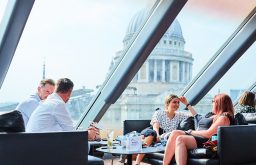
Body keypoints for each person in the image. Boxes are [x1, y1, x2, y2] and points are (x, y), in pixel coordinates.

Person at [163, 93, 234, 165]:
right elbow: (196, 116)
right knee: (175, 133)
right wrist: (187, 104)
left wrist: (191, 132)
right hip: (198, 137)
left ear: (219, 103)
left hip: (206, 140)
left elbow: (209, 134)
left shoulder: (223, 118)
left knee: (180, 138)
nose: (212, 103)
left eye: (213, 101)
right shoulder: (211, 115)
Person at [26, 78, 98, 141]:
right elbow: (72, 133)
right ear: (69, 93)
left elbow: (67, 129)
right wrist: (89, 134)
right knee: (87, 146)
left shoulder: (48, 102)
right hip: (42, 147)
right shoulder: (57, 104)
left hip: (34, 145)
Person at [134, 94, 196, 165]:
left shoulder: (180, 115)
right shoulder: (159, 113)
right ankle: (137, 162)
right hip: (152, 132)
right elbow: (155, 126)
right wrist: (157, 135)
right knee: (152, 133)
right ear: (167, 103)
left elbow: (195, 115)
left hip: (165, 137)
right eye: (174, 102)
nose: (177, 104)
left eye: (178, 103)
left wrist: (186, 103)